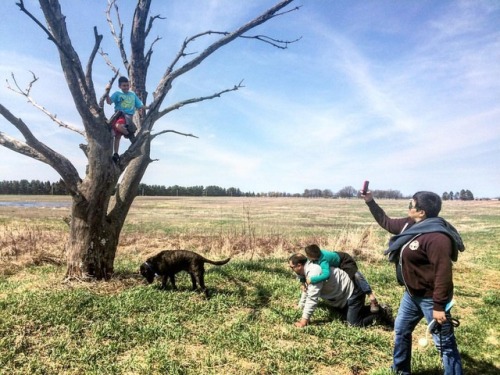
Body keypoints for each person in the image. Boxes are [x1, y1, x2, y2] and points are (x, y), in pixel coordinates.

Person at [360, 189, 464, 375]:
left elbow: (443, 274)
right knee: (401, 332)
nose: (409, 206)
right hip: (412, 295)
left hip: (432, 298)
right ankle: (400, 371)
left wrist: (439, 306)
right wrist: (370, 201)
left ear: (422, 211)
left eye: (411, 204)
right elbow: (386, 222)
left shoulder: (437, 237)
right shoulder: (410, 225)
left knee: (445, 345)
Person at [288, 253, 393, 329]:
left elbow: (312, 297)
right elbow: (306, 289)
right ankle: (368, 310)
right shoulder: (304, 271)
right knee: (344, 315)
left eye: (291, 267)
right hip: (342, 295)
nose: (291, 269)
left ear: (299, 266)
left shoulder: (314, 271)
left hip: (353, 292)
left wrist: (304, 321)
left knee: (354, 324)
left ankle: (381, 312)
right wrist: (301, 305)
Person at [304, 244, 380, 313]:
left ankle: (372, 297)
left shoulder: (323, 260)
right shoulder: (311, 259)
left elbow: (326, 275)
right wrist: (302, 281)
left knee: (356, 276)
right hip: (336, 262)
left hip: (344, 261)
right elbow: (303, 268)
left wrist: (312, 279)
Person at [105, 76, 146, 162]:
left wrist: (148, 107)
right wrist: (107, 92)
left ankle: (129, 133)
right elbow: (109, 102)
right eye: (124, 86)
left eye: (127, 85)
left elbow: (140, 105)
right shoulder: (117, 94)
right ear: (119, 86)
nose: (126, 87)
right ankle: (116, 154)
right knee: (117, 136)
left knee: (118, 125)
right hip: (118, 115)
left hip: (127, 117)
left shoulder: (132, 94)